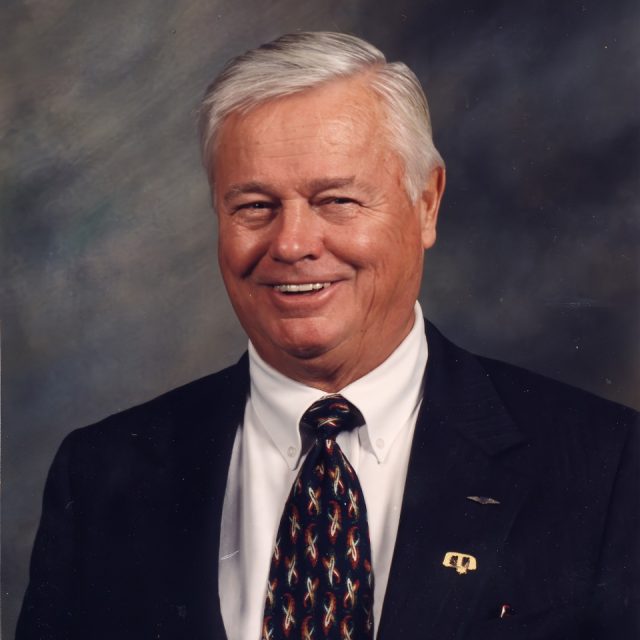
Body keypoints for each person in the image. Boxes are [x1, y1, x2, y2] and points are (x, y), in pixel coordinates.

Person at [17, 32, 638, 640]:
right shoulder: (101, 474)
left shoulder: (606, 467)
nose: (291, 244)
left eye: (336, 200)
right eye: (254, 206)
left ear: (426, 204)